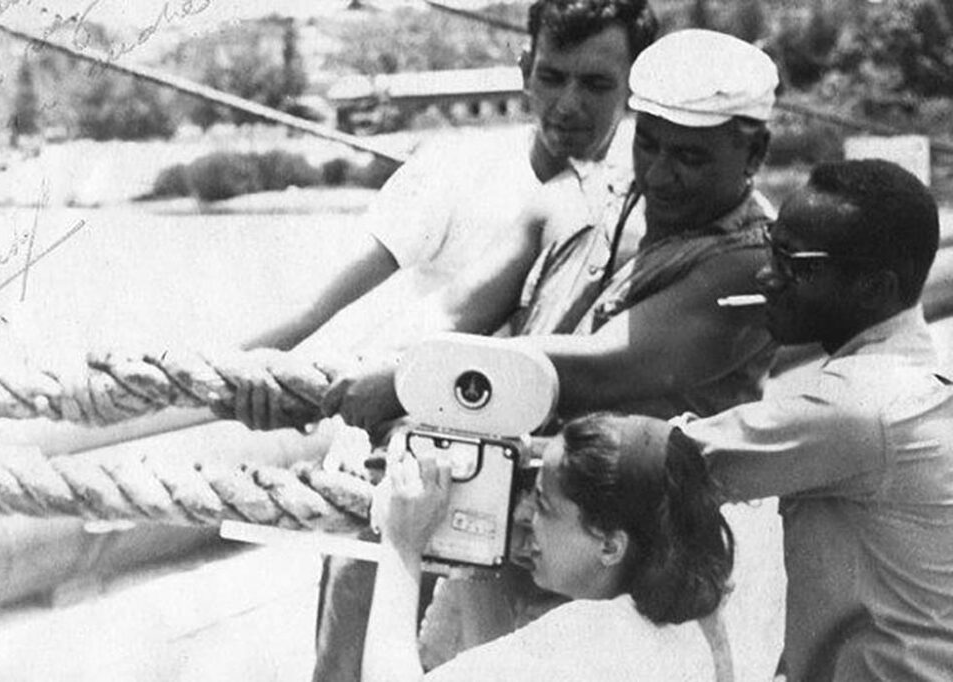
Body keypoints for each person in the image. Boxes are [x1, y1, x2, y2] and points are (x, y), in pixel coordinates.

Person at [322, 28, 786, 680]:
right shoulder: (590, 197)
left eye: (689, 157)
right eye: (646, 141)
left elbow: (608, 361)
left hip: (627, 587)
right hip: (515, 532)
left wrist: (406, 379)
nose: (658, 173)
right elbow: (455, 310)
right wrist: (354, 368)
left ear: (754, 149)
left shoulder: (751, 263)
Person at [231, 0, 659, 431]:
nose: (568, 104)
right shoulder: (452, 168)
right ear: (525, 70)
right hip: (409, 432)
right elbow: (312, 309)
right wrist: (242, 373)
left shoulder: (654, 204)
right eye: (551, 78)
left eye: (596, 85)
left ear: (635, 86)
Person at [678, 159, 953, 681]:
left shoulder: (857, 407)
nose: (767, 276)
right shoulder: (908, 378)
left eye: (796, 266)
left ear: (875, 289)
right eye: (771, 249)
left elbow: (669, 459)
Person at [363, 412, 735, 682]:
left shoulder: (591, 636)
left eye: (543, 504)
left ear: (610, 546)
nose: (525, 514)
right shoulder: (689, 623)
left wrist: (401, 545)